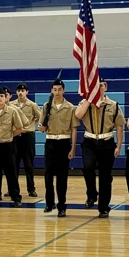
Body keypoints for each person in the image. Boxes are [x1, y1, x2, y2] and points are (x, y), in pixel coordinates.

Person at [74, 78, 124, 218]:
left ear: (105, 87)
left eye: (100, 86)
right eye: (95, 86)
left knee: (105, 177)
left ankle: (103, 207)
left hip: (107, 142)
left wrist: (119, 147)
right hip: (90, 141)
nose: (98, 88)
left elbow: (119, 127)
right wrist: (89, 99)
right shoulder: (85, 103)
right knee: (87, 167)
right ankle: (91, 194)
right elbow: (78, 115)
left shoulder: (113, 105)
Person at [38, 79, 79, 217]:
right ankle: (49, 203)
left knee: (62, 177)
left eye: (59, 89)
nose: (57, 92)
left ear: (64, 90)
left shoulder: (70, 107)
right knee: (48, 175)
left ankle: (62, 206)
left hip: (63, 143)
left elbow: (74, 129)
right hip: (50, 143)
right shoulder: (46, 106)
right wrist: (42, 128)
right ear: (51, 90)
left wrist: (73, 148)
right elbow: (41, 127)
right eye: (54, 89)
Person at [11, 83, 41, 197]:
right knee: (14, 164)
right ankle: (13, 189)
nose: (20, 92)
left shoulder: (32, 105)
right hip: (16, 136)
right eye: (18, 90)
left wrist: (32, 123)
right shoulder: (12, 104)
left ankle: (31, 188)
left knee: (28, 164)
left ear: (27, 92)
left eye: (23, 91)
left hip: (28, 136)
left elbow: (40, 116)